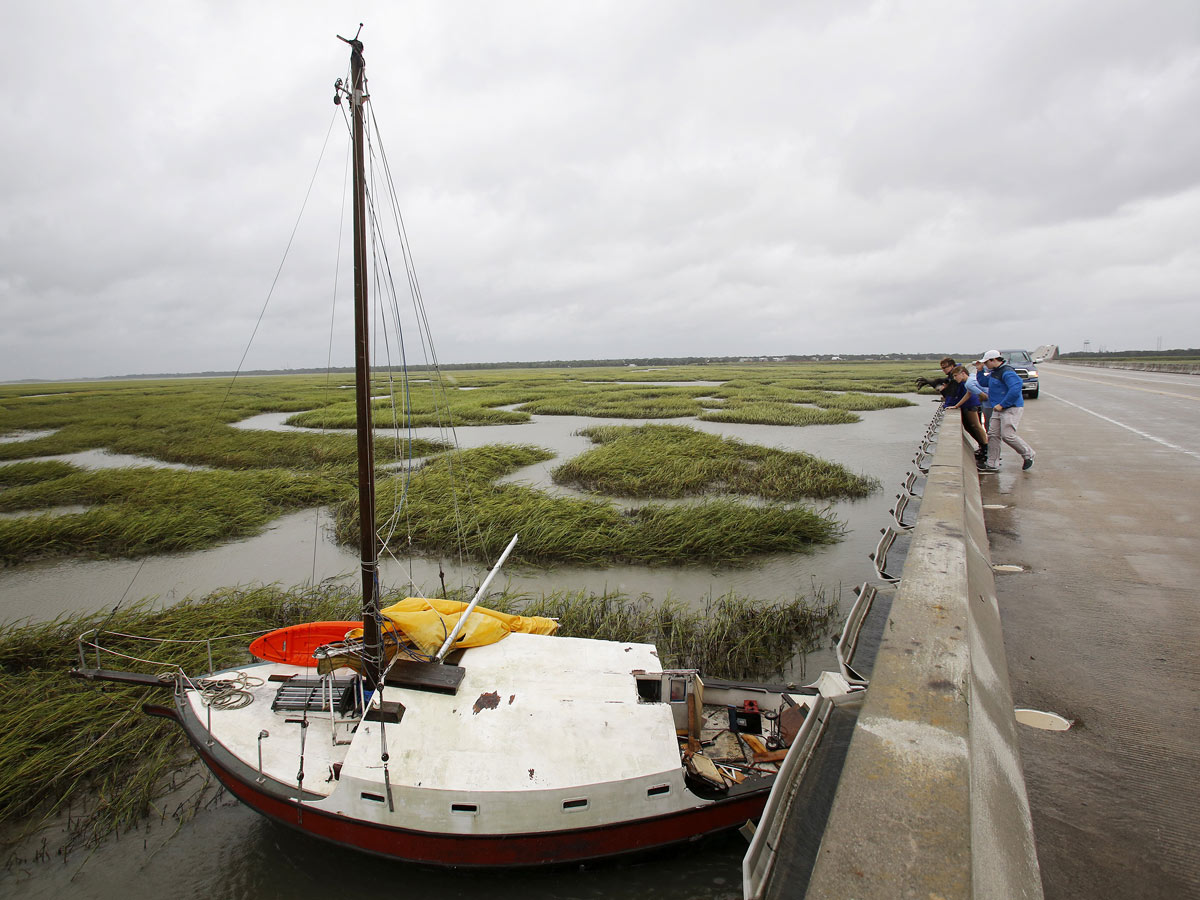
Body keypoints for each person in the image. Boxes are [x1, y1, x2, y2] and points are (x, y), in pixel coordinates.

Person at [976, 350, 1035, 473]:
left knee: (1007, 435)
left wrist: (1003, 404)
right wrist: (980, 370)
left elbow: (1016, 387)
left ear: (993, 360)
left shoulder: (1006, 372)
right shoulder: (994, 372)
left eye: (986, 362)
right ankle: (992, 463)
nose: (986, 365)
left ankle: (1028, 454)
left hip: (1011, 408)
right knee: (993, 435)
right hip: (998, 408)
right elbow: (983, 382)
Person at [947, 364, 988, 456]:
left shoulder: (969, 383)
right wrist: (956, 406)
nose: (954, 378)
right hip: (974, 403)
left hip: (974, 405)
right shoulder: (970, 379)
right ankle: (984, 447)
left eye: (955, 375)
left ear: (963, 373)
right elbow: (968, 394)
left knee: (977, 426)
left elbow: (984, 396)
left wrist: (981, 402)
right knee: (974, 427)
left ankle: (986, 448)